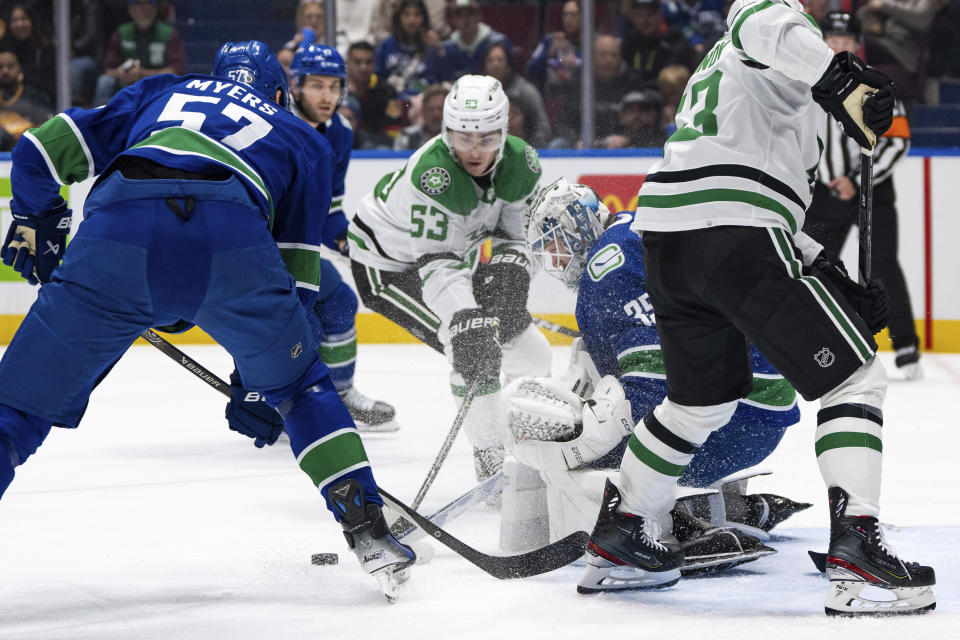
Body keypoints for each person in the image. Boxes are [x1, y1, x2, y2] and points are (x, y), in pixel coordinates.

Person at [0, 40, 414, 600]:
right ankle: (369, 529)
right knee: (304, 388)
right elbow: (296, 284)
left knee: (16, 408)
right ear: (278, 94)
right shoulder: (301, 137)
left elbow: (35, 152)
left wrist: (37, 218)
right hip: (231, 241)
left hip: (117, 234)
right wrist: (261, 381)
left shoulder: (161, 90)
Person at [578, 0, 935, 615]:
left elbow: (759, 188)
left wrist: (827, 268)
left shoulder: (751, 79)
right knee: (855, 376)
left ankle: (622, 533)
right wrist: (841, 76)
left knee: (698, 402)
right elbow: (760, 20)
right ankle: (858, 553)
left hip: (668, 235)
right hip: (730, 226)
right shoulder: (769, 20)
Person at [499, 178, 809, 575]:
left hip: (728, 422)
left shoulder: (605, 265)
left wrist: (582, 436)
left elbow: (652, 383)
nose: (555, 259)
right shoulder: (634, 229)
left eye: (555, 241)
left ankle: (665, 527)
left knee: (568, 455)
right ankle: (733, 507)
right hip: (760, 413)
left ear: (578, 225)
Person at [347, 75, 551, 482]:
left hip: (449, 260)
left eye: (488, 138)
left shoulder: (520, 164)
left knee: (534, 356)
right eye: (463, 138)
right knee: (471, 348)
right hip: (388, 267)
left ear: (505, 131)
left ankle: (530, 449)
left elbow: (518, 237)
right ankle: (491, 460)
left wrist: (512, 272)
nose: (474, 151)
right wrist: (466, 318)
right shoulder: (434, 175)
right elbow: (436, 266)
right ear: (445, 132)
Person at [803, 12, 921, 380]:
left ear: (857, 44)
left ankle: (905, 345)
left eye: (846, 39)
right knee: (817, 267)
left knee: (884, 264)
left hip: (874, 189)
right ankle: (818, 344)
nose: (839, 45)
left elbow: (897, 141)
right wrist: (823, 180)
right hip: (825, 193)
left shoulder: (875, 83)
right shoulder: (805, 85)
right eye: (833, 38)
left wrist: (856, 180)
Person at [289, 41, 401, 431]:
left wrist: (354, 243)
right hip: (257, 245)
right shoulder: (273, 124)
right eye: (316, 86)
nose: (327, 96)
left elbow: (329, 210)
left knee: (338, 304)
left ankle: (339, 394)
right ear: (295, 85)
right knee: (305, 322)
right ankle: (287, 402)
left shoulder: (340, 132)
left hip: (296, 249)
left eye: (334, 87)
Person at [94, 0, 186, 106]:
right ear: (129, 9)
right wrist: (122, 73)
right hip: (125, 87)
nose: (142, 9)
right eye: (136, 3)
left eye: (148, 3)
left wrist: (142, 73)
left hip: (158, 87)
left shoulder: (170, 34)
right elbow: (108, 70)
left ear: (156, 8)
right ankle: (98, 117)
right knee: (104, 81)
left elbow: (176, 72)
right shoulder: (121, 32)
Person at [374, 0, 455, 99]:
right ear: (398, 17)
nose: (412, 20)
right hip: (393, 101)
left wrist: (438, 49)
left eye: (417, 15)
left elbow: (444, 78)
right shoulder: (387, 45)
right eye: (406, 14)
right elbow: (377, 77)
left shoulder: (432, 45)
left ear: (424, 18)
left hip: (424, 102)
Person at [482, 43, 551, 148]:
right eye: (490, 60)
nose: (495, 64)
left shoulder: (525, 92)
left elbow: (543, 127)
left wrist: (526, 149)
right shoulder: (478, 93)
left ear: (508, 66)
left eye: (500, 60)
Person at [620, 0, 694, 89]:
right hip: (630, 94)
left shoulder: (674, 40)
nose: (644, 21)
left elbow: (671, 79)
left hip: (663, 95)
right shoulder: (629, 41)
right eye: (639, 15)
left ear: (659, 16)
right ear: (633, 18)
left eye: (649, 15)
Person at [346, 41, 404, 148]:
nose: (363, 67)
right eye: (357, 62)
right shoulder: (337, 89)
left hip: (378, 149)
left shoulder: (390, 91)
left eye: (368, 62)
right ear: (347, 63)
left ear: (375, 63)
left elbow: (395, 129)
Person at [0, 3, 55, 103]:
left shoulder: (44, 50)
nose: (19, 24)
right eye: (15, 20)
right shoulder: (3, 49)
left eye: (24, 19)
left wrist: (24, 78)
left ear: (32, 22)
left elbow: (53, 88)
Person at [0, 45, 52, 149]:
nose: (5, 71)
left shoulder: (35, 97)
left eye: (10, 66)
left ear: (19, 68)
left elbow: (46, 129)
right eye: (0, 67)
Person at [526, 0, 583, 94]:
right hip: (551, 97)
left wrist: (577, 66)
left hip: (580, 96)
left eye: (573, 14)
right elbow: (530, 69)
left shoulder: (592, 42)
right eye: (565, 14)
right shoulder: (549, 40)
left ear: (582, 17)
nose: (568, 19)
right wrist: (550, 52)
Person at [444, 0, 512, 76]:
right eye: (460, 16)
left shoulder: (499, 42)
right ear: (453, 20)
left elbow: (510, 76)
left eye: (470, 14)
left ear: (479, 16)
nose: (466, 20)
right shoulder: (447, 47)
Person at [393, 81, 448, 150]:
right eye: (430, 109)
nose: (435, 114)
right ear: (423, 111)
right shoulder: (407, 135)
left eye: (440, 109)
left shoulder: (456, 139)